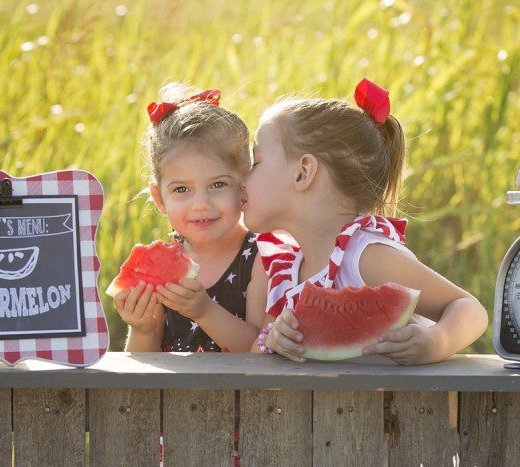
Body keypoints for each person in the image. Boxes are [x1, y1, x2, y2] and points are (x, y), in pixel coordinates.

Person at [242, 78, 487, 364]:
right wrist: (274, 339)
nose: (243, 179)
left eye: (255, 162)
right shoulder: (289, 268)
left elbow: (469, 307)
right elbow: (258, 356)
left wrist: (438, 341)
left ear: (303, 173)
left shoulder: (364, 256)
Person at [114, 83, 267, 353]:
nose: (200, 205)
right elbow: (143, 360)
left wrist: (205, 312)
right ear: (160, 198)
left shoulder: (260, 258)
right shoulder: (163, 262)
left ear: (244, 186)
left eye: (218, 185)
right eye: (181, 189)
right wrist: (142, 328)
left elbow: (259, 350)